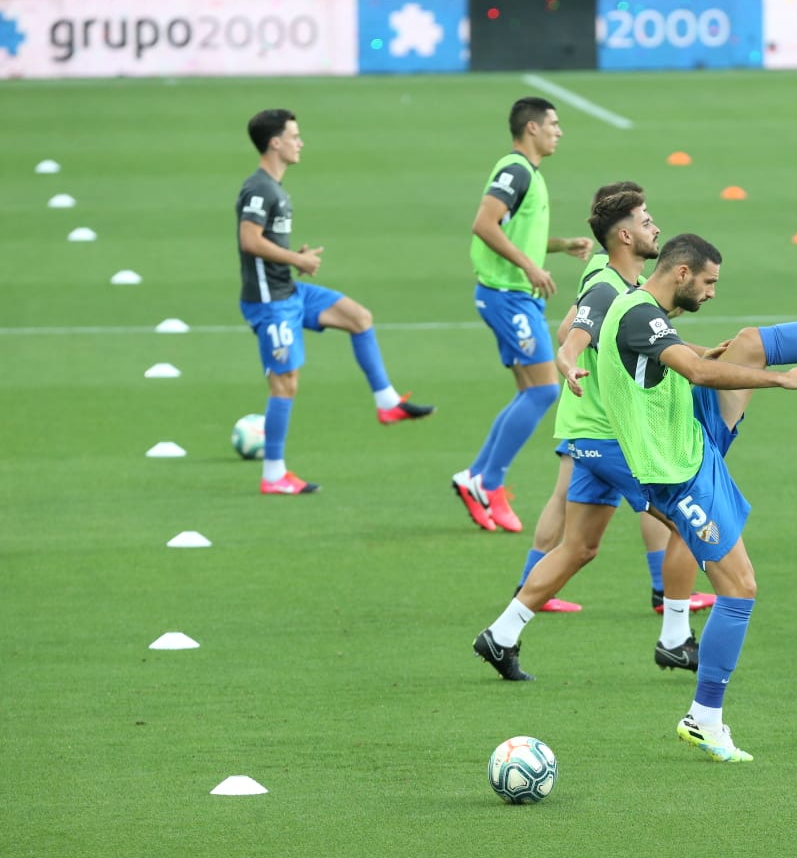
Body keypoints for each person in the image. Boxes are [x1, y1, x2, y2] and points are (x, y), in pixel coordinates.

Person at [476, 230, 797, 766]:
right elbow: (696, 371)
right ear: (681, 272)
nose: (711, 292)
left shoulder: (639, 303)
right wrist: (780, 381)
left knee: (748, 341)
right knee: (740, 587)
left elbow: (672, 359)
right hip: (677, 472)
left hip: (687, 434)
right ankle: (702, 714)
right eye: (708, 282)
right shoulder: (635, 312)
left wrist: (707, 357)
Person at [514, 181, 714, 616]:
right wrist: (571, 364)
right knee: (686, 515)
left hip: (602, 420)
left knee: (580, 540)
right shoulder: (606, 283)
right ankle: (671, 608)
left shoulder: (630, 281)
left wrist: (706, 351)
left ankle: (516, 611)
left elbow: (648, 339)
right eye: (646, 220)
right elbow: (570, 335)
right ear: (624, 233)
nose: (655, 227)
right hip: (604, 423)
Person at [236, 108, 434, 496]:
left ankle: (387, 402)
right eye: (294, 136)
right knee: (284, 385)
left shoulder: (275, 187)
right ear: (275, 143)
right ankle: (273, 475)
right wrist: (297, 260)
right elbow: (249, 240)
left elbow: (265, 243)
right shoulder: (259, 189)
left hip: (289, 291)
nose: (300, 142)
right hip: (270, 302)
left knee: (358, 317)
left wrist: (292, 259)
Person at [452, 96, 594, 533]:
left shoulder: (528, 174)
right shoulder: (515, 171)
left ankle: (476, 477)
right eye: (553, 124)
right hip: (508, 296)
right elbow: (484, 224)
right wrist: (531, 267)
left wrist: (560, 246)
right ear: (532, 127)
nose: (559, 131)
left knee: (528, 391)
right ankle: (489, 482)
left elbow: (515, 233)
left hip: (514, 295)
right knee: (545, 390)